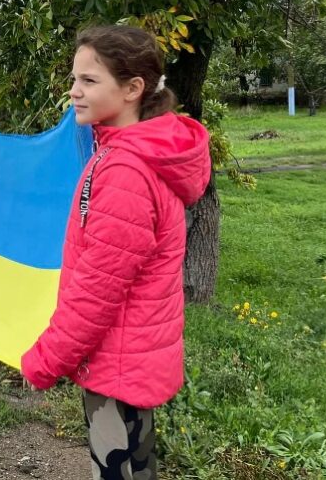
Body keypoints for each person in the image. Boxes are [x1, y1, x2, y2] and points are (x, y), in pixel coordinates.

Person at [20, 25, 211, 480]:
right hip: (130, 358)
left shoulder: (126, 169)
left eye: (88, 81)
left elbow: (97, 289)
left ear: (132, 89)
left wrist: (46, 361)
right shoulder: (128, 150)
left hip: (120, 363)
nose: (74, 92)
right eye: (74, 79)